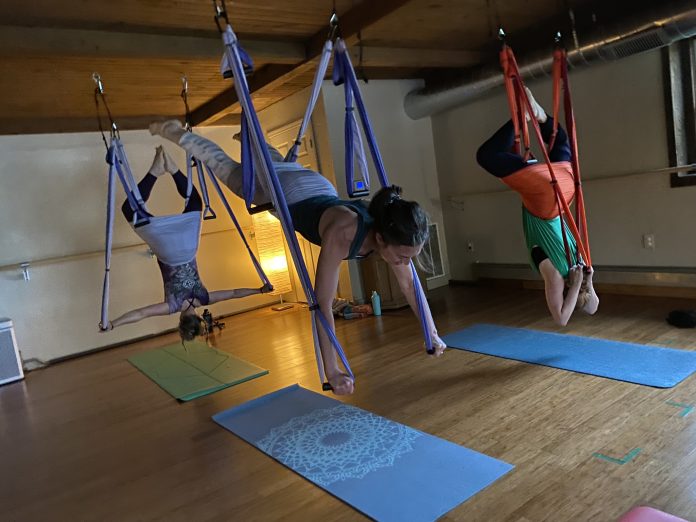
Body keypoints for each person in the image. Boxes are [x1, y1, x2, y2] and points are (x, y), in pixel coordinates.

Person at [150, 120, 447, 394]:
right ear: (381, 239)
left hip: (315, 185)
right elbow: (323, 305)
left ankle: (254, 140)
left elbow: (410, 287)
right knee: (229, 170)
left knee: (277, 165)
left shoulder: (388, 225)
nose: (404, 263)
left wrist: (431, 333)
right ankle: (172, 130)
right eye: (403, 256)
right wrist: (332, 370)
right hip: (288, 194)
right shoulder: (343, 235)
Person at [101, 146, 272, 341]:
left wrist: (259, 290)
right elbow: (141, 314)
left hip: (189, 245)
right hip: (167, 252)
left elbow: (234, 293)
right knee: (130, 209)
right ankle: (155, 172)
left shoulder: (204, 298)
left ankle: (172, 170)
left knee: (195, 204)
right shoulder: (172, 306)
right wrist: (113, 324)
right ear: (180, 322)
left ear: (198, 317)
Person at [476, 88, 598, 326]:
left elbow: (593, 307)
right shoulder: (555, 275)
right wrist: (575, 284)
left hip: (565, 185)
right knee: (486, 156)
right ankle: (522, 117)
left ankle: (540, 117)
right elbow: (561, 319)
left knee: (560, 140)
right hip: (546, 196)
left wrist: (586, 279)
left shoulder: (580, 261)